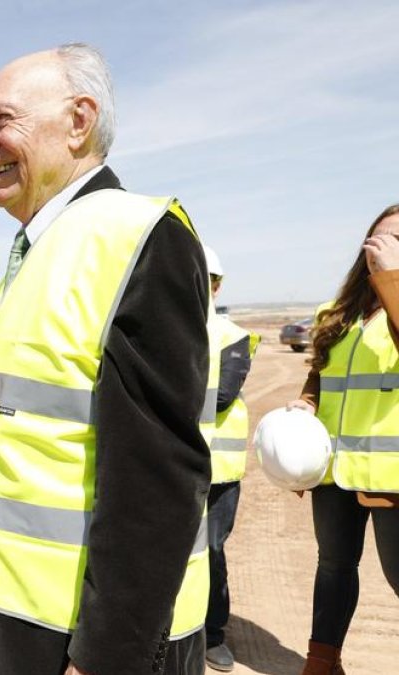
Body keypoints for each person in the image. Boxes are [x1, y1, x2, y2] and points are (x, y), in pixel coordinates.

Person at [0, 43, 213, 675]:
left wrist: (111, 654)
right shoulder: (45, 242)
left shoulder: (134, 235)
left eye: (1, 121)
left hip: (83, 633)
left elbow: (158, 471)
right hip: (15, 608)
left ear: (80, 121)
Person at [286, 204, 399, 675]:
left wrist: (392, 280)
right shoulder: (337, 313)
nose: (385, 246)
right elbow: (321, 374)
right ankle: (321, 663)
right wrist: (306, 405)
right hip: (334, 468)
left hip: (390, 474)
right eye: (381, 237)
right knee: (332, 566)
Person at [201, 245, 259, 672]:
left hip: (217, 470)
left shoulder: (231, 336)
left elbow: (220, 396)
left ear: (217, 286)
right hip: (167, 465)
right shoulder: (157, 329)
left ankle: (213, 632)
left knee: (211, 550)